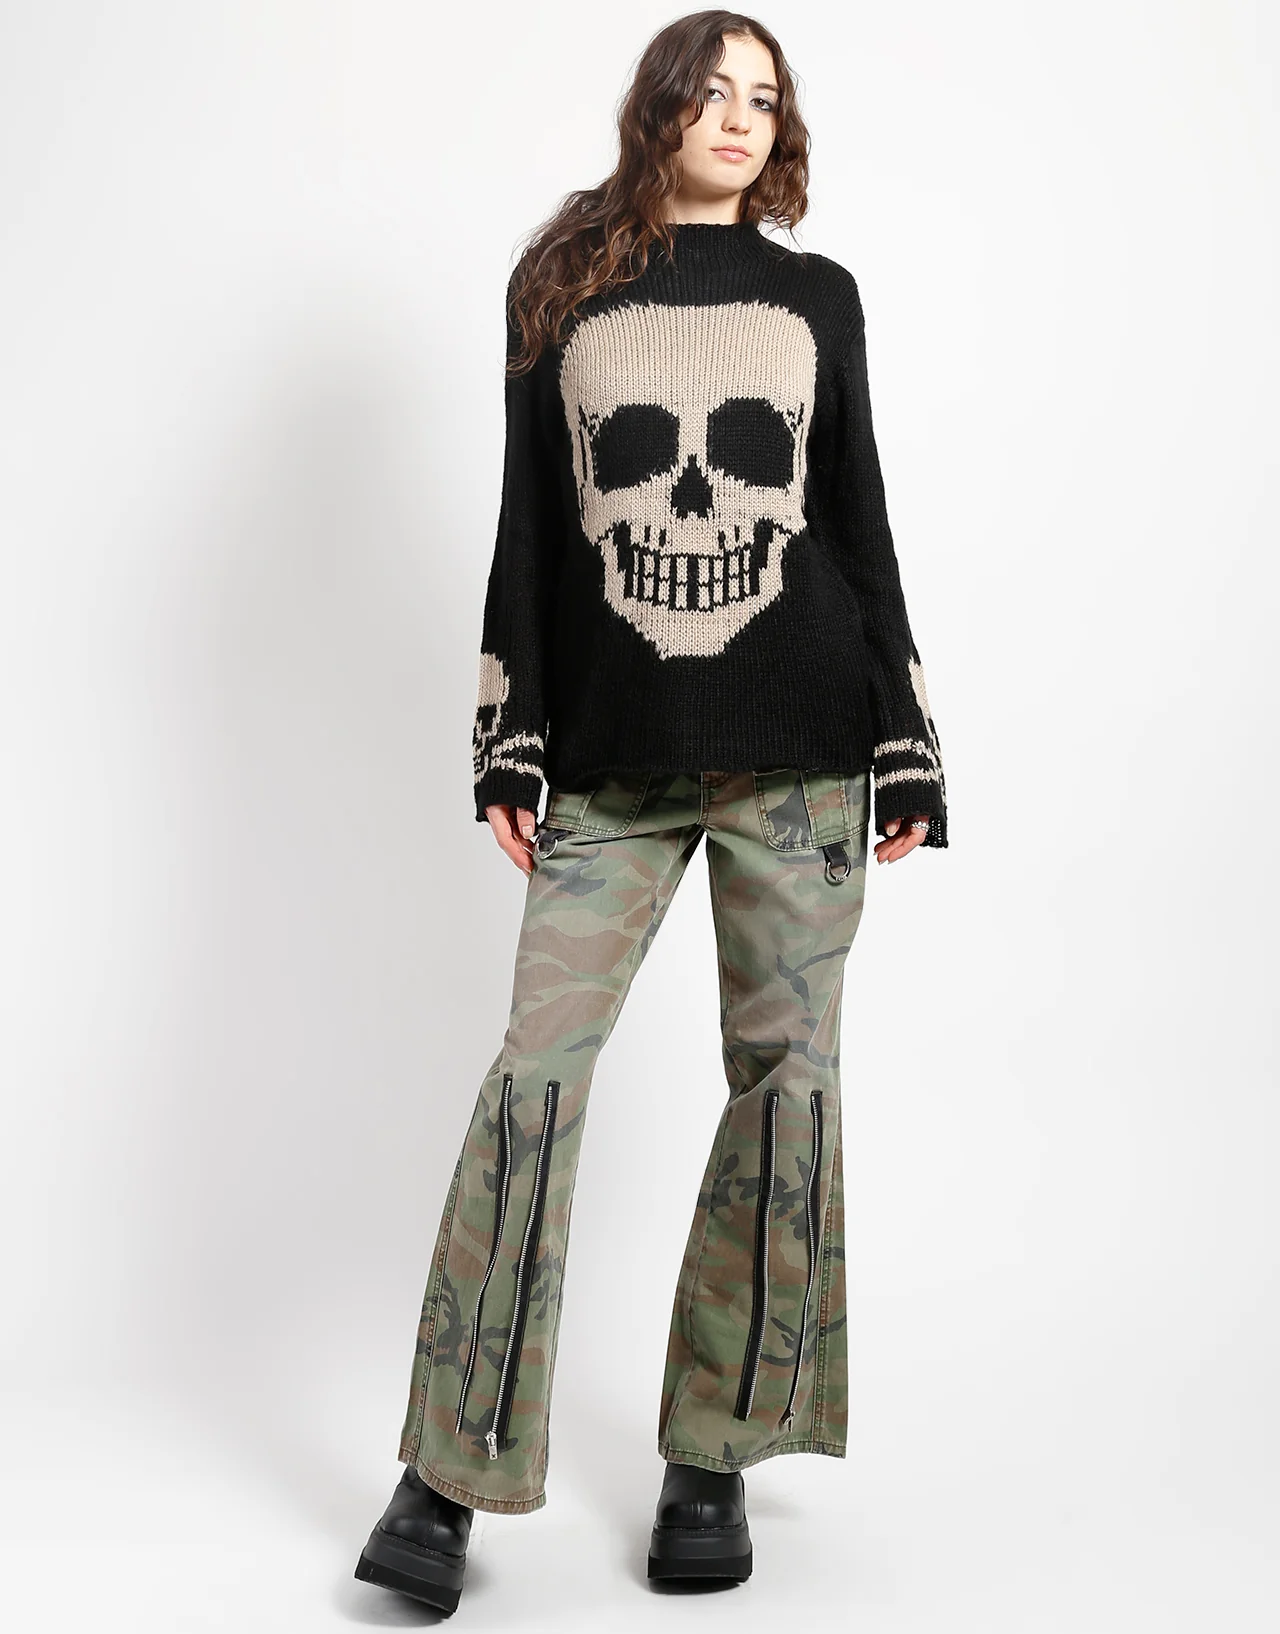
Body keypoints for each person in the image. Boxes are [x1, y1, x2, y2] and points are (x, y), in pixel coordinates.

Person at [354, 9, 948, 1614]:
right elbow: (530, 526)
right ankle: (446, 1471)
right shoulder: (563, 284)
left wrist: (907, 732)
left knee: (787, 1086)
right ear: (661, 107)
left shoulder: (820, 299)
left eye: (768, 97)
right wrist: (510, 731)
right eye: (716, 90)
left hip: (807, 750)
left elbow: (857, 518)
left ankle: (716, 1451)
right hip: (611, 760)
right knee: (533, 1077)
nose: (743, 117)